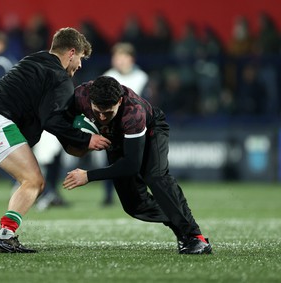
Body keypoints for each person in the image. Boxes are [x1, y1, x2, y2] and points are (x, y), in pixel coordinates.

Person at [0, 27, 111, 253]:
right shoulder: (59, 78)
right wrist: (85, 139)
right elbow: (51, 119)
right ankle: (6, 235)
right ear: (71, 52)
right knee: (34, 181)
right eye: (80, 58)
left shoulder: (32, 59)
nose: (80, 65)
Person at [63, 76, 212, 255]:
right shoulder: (80, 95)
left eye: (108, 113)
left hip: (151, 130)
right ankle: (181, 225)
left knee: (156, 177)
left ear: (119, 101)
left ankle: (195, 237)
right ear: (90, 101)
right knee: (134, 205)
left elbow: (131, 165)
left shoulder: (133, 112)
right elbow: (60, 124)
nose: (102, 117)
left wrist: (88, 176)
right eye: (97, 111)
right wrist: (83, 140)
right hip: (115, 137)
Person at [100, 42, 149, 205]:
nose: (119, 60)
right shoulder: (108, 76)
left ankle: (137, 195)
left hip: (135, 127)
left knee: (135, 162)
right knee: (110, 161)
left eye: (122, 57)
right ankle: (108, 196)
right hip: (113, 127)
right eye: (116, 57)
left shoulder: (142, 78)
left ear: (131, 59)